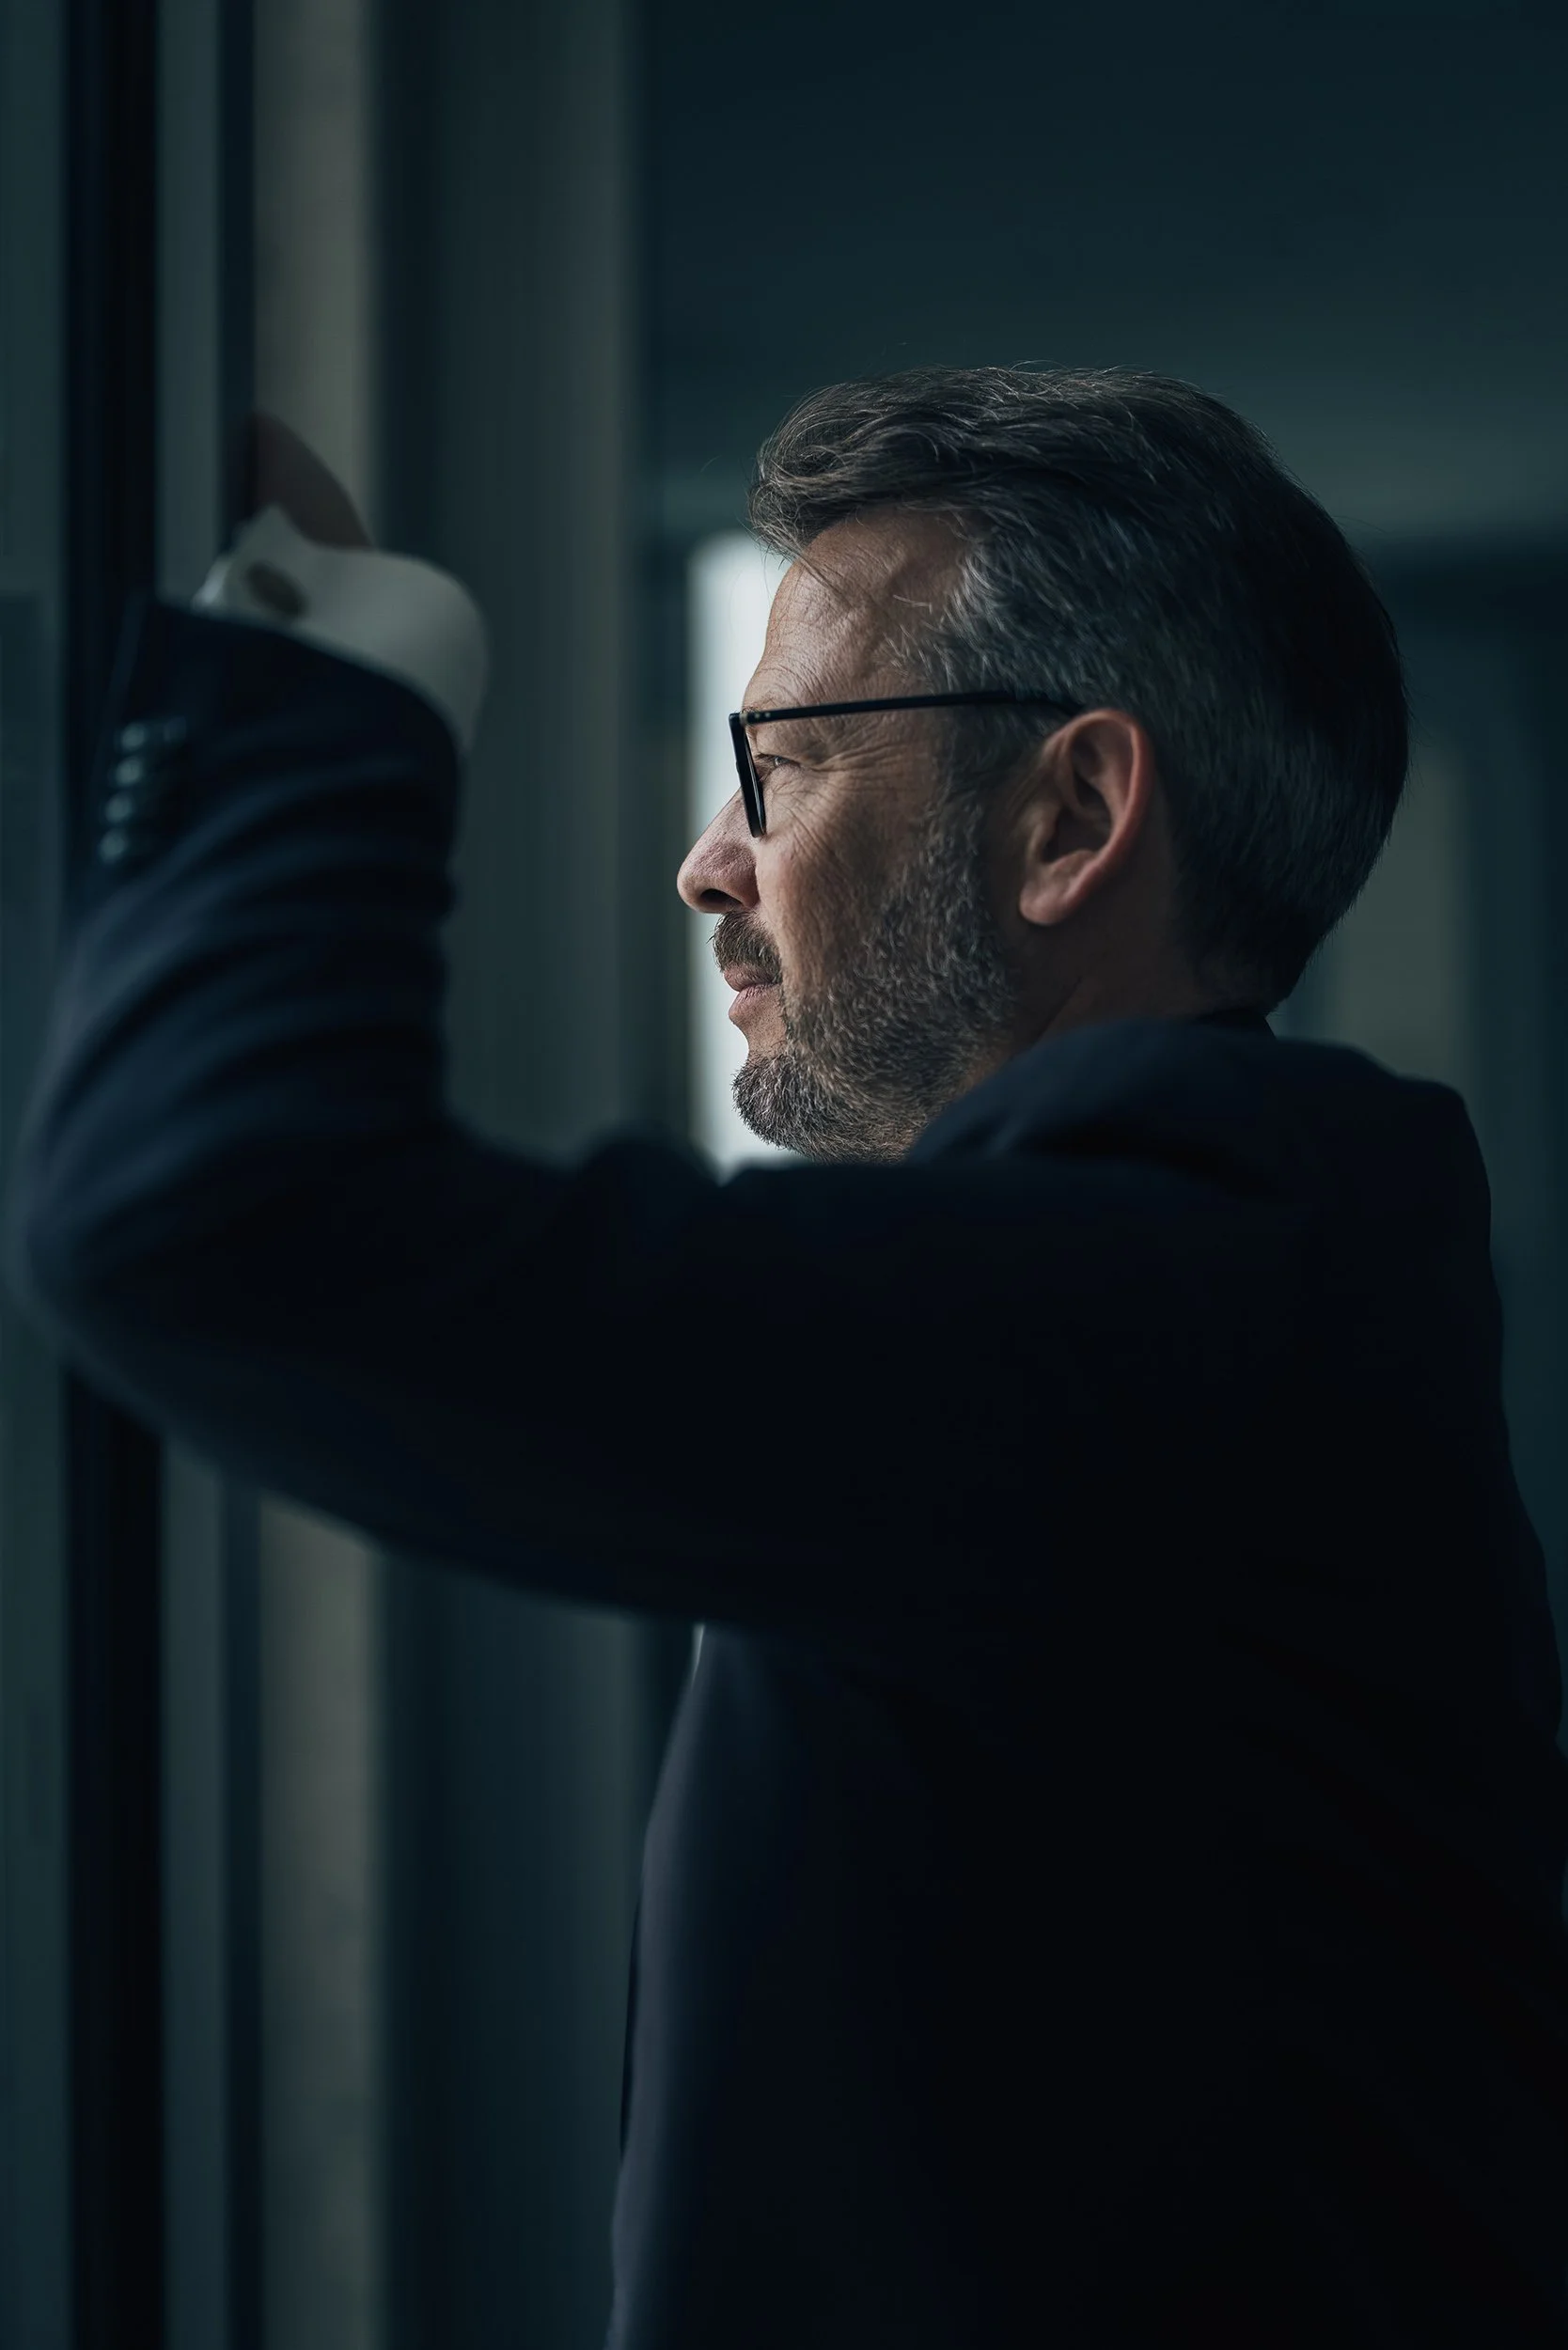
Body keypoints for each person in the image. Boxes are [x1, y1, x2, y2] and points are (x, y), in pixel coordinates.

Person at [8, 367, 1568, 2345]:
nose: (708, 862)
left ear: (1071, 815)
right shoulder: (1226, 1294)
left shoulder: (1157, 1309)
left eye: (787, 763)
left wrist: (358, 662)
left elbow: (206, 1212)